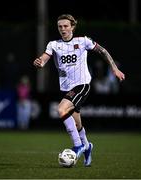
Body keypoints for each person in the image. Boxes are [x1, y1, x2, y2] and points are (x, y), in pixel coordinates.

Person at [33, 14, 125, 166]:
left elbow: (103, 51)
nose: (62, 29)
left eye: (66, 26)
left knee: (61, 110)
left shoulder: (83, 41)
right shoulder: (54, 44)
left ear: (72, 27)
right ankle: (88, 146)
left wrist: (114, 69)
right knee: (77, 125)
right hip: (67, 89)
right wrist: (40, 62)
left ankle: (78, 146)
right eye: (60, 26)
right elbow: (44, 58)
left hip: (82, 85)